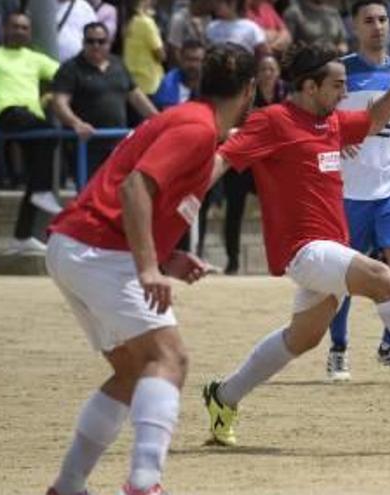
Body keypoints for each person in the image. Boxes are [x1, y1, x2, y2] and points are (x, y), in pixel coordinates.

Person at [201, 42, 390, 448]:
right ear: (311, 86)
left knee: (303, 338)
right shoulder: (273, 120)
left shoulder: (330, 122)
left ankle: (223, 396)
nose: (342, 93)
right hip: (303, 249)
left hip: (330, 248)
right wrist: (185, 203)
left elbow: (376, 119)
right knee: (383, 277)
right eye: (337, 86)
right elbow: (224, 157)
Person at [43, 43, 256, 495]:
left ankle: (68, 486)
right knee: (168, 358)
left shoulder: (189, 120)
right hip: (100, 250)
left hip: (77, 246)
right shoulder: (197, 128)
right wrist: (147, 269)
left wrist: (163, 258)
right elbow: (136, 188)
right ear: (251, 90)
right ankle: (143, 484)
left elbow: (139, 191)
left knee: (135, 371)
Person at [323, 0, 390, 383]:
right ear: (355, 26)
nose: (378, 27)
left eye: (382, 19)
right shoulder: (342, 71)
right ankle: (338, 349)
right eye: (369, 20)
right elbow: (321, 115)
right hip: (348, 190)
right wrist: (336, 136)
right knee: (342, 274)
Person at [0, 13, 61, 254]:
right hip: (8, 114)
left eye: (24, 27)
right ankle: (42, 192)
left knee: (35, 180)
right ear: (4, 29)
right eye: (15, 26)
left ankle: (21, 236)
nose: (20, 31)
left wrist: (48, 96)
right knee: (51, 136)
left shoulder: (35, 58)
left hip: (33, 119)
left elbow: (65, 74)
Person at [53, 21, 158, 179]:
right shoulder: (70, 68)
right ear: (83, 43)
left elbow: (136, 96)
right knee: (89, 194)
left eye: (101, 41)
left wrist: (159, 120)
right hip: (87, 146)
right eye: (91, 41)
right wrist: (76, 123)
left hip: (118, 144)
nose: (96, 45)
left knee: (118, 193)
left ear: (109, 43)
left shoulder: (118, 65)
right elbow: (59, 102)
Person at [222, 54, 285, 275]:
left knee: (277, 212)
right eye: (263, 70)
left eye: (271, 69)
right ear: (256, 75)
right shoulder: (246, 97)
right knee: (234, 211)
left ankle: (280, 259)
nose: (268, 73)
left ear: (278, 73)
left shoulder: (285, 96)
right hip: (243, 164)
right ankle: (232, 261)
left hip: (272, 166)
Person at [123, 0, 165, 96]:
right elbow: (161, 55)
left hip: (132, 82)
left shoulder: (128, 22)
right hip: (149, 83)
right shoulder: (147, 22)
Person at [153, 39, 206, 110]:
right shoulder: (169, 83)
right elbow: (167, 114)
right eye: (189, 59)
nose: (193, 65)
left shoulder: (209, 82)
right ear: (181, 59)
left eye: (197, 60)